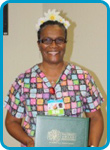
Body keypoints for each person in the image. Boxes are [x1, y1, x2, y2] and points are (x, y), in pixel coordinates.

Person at [4, 9, 104, 147]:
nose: (53, 45)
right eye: (47, 40)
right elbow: (11, 122)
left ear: (65, 43)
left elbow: (96, 118)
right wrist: (29, 141)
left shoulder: (83, 78)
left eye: (59, 40)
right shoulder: (23, 81)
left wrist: (92, 147)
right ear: (39, 44)